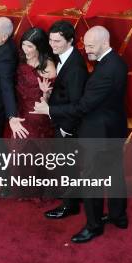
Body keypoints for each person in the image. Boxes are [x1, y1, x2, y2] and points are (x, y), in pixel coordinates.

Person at [32, 25, 129, 244]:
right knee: (115, 175)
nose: (87, 51)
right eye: (86, 46)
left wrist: (50, 110)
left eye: (92, 47)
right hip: (114, 129)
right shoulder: (116, 63)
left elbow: (83, 106)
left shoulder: (106, 71)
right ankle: (118, 216)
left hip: (99, 134)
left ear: (105, 43)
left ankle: (94, 226)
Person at [42, 21, 88, 220]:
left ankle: (69, 206)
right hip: (62, 121)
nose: (52, 44)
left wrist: (65, 129)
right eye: (51, 40)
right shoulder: (62, 57)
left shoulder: (76, 67)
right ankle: (74, 198)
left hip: (67, 126)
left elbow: (77, 104)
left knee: (66, 166)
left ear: (70, 40)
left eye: (57, 41)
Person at [9, 27, 56, 139]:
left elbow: (49, 102)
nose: (25, 49)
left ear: (39, 47)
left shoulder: (47, 66)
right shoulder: (21, 56)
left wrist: (45, 93)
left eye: (30, 46)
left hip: (36, 116)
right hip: (18, 110)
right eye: (24, 44)